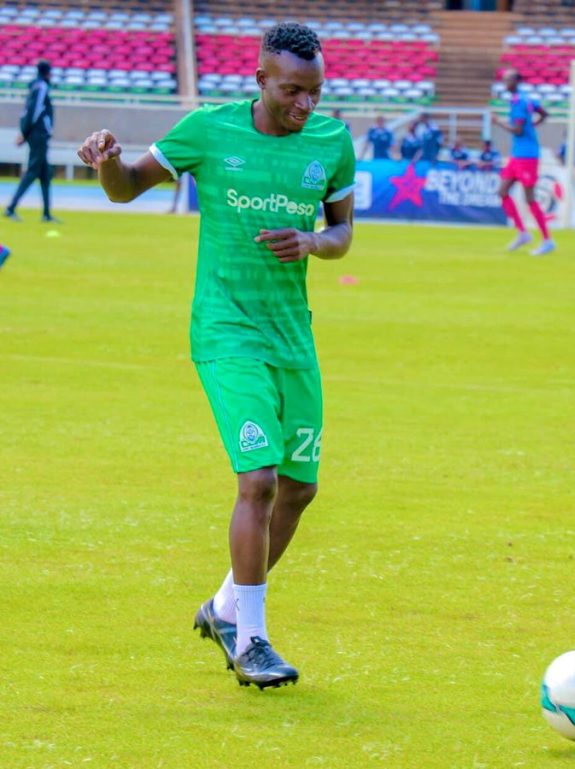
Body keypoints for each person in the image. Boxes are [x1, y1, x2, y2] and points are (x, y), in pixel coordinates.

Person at [77, 22, 355, 690]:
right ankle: (251, 639)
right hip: (226, 332)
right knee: (257, 478)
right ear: (260, 79)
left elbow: (344, 232)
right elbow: (124, 187)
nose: (305, 105)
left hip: (293, 336)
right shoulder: (208, 129)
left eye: (315, 92)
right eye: (293, 90)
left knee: (300, 488)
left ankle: (225, 607)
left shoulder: (333, 142)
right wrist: (108, 162)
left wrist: (314, 243)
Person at [492, 69, 555, 256]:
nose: (505, 83)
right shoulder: (526, 99)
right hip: (517, 154)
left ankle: (547, 240)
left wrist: (498, 122)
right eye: (503, 80)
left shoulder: (519, 103)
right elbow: (544, 113)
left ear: (516, 82)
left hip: (527, 155)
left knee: (530, 198)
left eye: (508, 80)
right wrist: (532, 126)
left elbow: (518, 131)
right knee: (502, 191)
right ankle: (523, 233)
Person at [4, 60, 58, 223]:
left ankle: (47, 214)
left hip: (38, 134)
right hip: (38, 135)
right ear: (48, 72)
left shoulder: (36, 86)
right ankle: (11, 208)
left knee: (45, 173)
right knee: (33, 171)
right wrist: (24, 133)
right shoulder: (41, 87)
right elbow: (34, 111)